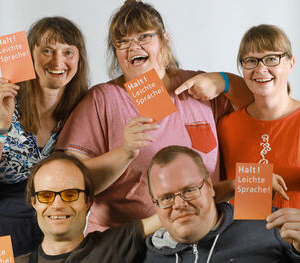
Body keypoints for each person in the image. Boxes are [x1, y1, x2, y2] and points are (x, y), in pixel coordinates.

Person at [55, 0, 253, 234]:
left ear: (164, 40)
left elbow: (257, 105)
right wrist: (124, 153)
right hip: (130, 243)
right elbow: (67, 181)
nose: (133, 47)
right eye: (123, 42)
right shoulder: (102, 99)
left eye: (143, 37)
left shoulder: (197, 86)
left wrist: (225, 80)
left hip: (202, 238)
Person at [0, 17, 89, 256]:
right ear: (30, 55)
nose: (58, 61)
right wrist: (2, 124)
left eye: (68, 52)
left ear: (79, 59)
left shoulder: (83, 105)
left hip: (52, 228)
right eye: (47, 51)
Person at [144, 145, 300, 262]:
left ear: (210, 187)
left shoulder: (271, 227)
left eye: (189, 190)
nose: (178, 204)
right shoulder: (148, 254)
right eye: (166, 198)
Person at [15, 152, 160, 263]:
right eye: (46, 196)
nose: (57, 205)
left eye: (70, 195)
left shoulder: (114, 245)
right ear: (34, 202)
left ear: (88, 201)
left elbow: (169, 212)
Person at [217, 24, 300, 209]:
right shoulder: (226, 126)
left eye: (271, 58)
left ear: (290, 63)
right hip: (242, 235)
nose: (261, 69)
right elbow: (213, 192)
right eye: (251, 61)